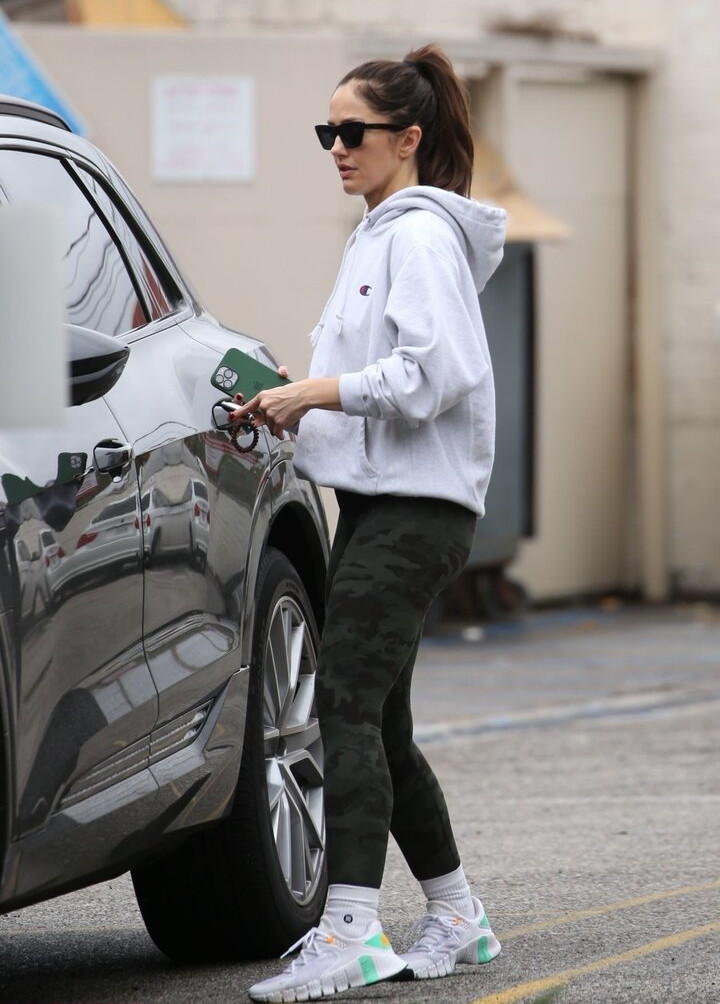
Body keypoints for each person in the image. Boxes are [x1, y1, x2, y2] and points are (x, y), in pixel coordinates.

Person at [233, 42, 506, 1003]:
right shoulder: (377, 236)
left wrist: (315, 392)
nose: (338, 147)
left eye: (353, 131)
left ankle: (351, 930)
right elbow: (383, 383)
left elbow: (436, 375)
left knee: (342, 704)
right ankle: (459, 916)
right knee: (380, 721)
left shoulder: (417, 235)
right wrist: (294, 397)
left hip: (417, 510)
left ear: (409, 138)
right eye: (328, 132)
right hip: (383, 501)